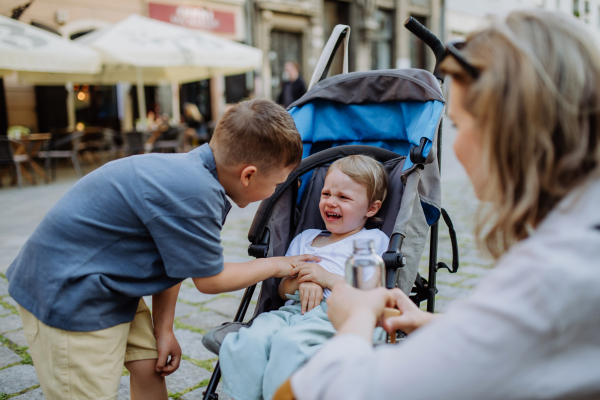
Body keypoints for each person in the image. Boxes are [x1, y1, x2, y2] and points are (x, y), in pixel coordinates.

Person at [280, 10, 600, 400]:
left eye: (462, 126)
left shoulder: (552, 276)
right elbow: (514, 338)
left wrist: (357, 318)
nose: (458, 148)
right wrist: (435, 324)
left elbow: (304, 393)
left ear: (510, 133)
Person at [6, 99, 320, 400]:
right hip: (69, 293)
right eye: (276, 184)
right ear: (248, 175)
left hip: (107, 282)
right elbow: (211, 279)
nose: (275, 191)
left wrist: (164, 328)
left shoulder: (199, 171)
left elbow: (175, 258)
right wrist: (278, 264)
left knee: (148, 365)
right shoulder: (196, 193)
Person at [219, 155, 390, 400]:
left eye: (343, 197)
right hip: (292, 311)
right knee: (251, 339)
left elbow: (370, 292)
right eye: (326, 194)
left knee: (289, 343)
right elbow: (282, 289)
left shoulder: (372, 241)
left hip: (335, 315)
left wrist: (325, 278)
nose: (331, 202)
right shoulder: (305, 238)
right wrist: (302, 282)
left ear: (371, 208)